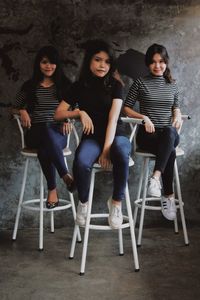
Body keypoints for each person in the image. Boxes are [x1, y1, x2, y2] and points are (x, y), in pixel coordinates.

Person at [54, 39, 131, 229]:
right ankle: (84, 203)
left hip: (116, 135)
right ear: (89, 61)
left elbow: (113, 120)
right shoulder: (79, 86)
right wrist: (79, 112)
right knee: (81, 162)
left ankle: (116, 203)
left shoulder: (116, 85)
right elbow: (58, 113)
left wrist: (106, 151)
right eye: (97, 60)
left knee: (121, 153)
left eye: (106, 61)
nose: (102, 65)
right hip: (92, 137)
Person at [124, 43, 182, 221]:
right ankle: (169, 196)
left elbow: (176, 107)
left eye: (161, 61)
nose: (158, 66)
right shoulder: (140, 83)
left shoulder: (172, 84)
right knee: (169, 148)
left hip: (167, 134)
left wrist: (178, 114)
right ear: (148, 64)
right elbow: (126, 108)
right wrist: (143, 117)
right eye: (154, 62)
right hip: (147, 135)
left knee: (170, 133)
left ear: (166, 62)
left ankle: (156, 177)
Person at [13, 46, 74, 209]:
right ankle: (65, 175)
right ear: (38, 64)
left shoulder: (65, 85)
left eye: (52, 63)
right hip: (35, 132)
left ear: (57, 65)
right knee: (45, 132)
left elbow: (76, 109)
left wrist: (67, 118)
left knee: (45, 147)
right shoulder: (30, 85)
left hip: (59, 133)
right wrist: (22, 110)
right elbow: (14, 107)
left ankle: (52, 189)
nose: (49, 66)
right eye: (44, 62)